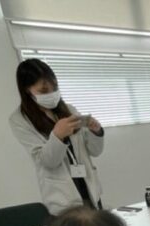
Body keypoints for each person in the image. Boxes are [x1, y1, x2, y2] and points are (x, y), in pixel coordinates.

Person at [9, 59, 105, 215]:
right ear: (27, 89)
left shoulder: (69, 109)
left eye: (55, 88)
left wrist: (96, 132)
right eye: (44, 90)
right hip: (62, 198)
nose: (52, 94)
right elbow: (48, 161)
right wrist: (58, 135)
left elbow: (95, 151)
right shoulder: (19, 121)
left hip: (89, 189)